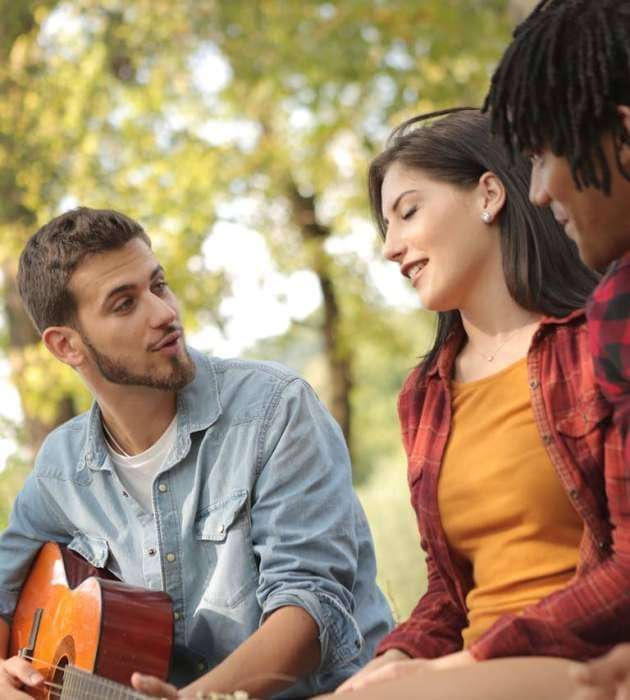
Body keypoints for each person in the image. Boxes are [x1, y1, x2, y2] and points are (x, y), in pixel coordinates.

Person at [0, 207, 392, 700]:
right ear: (66, 346)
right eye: (125, 304)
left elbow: (310, 610)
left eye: (158, 285)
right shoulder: (61, 469)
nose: (165, 313)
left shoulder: (274, 409)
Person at [335, 108, 628, 698]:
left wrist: (458, 670)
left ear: (489, 193)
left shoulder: (592, 345)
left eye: (408, 212)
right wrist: (381, 669)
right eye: (384, 229)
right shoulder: (425, 396)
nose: (391, 248)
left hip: (582, 662)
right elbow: (448, 594)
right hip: (467, 674)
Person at [483, 2, 630, 697]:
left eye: (544, 156)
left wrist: (468, 664)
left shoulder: (613, 313)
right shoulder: (422, 394)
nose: (537, 193)